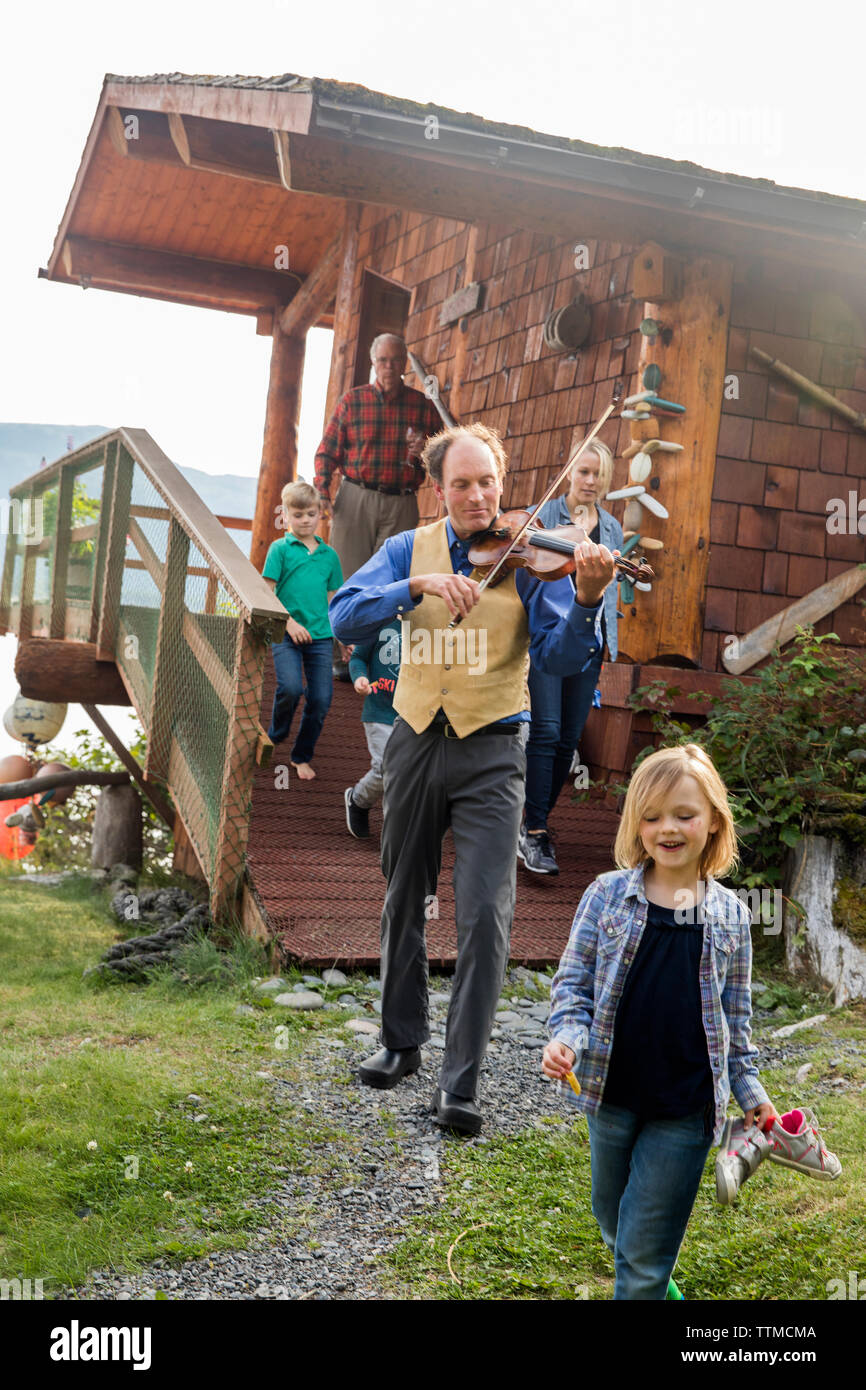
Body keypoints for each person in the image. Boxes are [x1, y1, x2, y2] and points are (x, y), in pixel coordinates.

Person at [329, 421, 618, 1135]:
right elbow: (341, 614)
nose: (477, 495)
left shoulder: (531, 559)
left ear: (502, 482)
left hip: (494, 747)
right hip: (416, 737)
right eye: (461, 483)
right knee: (404, 896)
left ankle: (460, 1085)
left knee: (486, 914)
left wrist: (586, 601)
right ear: (439, 488)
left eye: (487, 481)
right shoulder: (408, 548)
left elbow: (556, 660)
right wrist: (413, 586)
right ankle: (401, 1043)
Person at [542, 743, 779, 1300]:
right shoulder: (606, 896)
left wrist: (754, 1097)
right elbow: (573, 986)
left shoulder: (732, 916)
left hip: (686, 1109)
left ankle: (646, 1282)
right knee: (614, 1223)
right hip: (610, 1095)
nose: (666, 828)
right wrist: (566, 1040)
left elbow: (735, 1023)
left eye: (683, 815)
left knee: (643, 1256)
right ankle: (650, 1280)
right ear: (636, 824)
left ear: (714, 822)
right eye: (651, 816)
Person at [519, 436, 623, 876]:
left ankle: (533, 819)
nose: (590, 480)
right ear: (569, 472)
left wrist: (609, 643)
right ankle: (534, 831)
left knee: (568, 739)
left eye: (598, 473)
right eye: (583, 471)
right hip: (550, 635)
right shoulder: (547, 517)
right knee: (546, 728)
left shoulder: (612, 529)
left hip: (589, 640)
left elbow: (609, 590)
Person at [262, 481, 343, 780]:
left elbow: (335, 600)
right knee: (291, 688)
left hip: (321, 637)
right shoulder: (280, 549)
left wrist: (342, 637)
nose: (305, 520)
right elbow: (267, 591)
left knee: (321, 699)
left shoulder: (329, 556)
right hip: (286, 633)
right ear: (285, 515)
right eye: (297, 515)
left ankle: (301, 756)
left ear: (320, 513)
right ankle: (276, 734)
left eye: (311, 514)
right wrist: (289, 623)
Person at [344, 619, 401, 839]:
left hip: (413, 714)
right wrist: (360, 677)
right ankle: (358, 799)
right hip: (380, 711)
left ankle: (396, 833)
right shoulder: (381, 623)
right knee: (386, 768)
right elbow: (358, 656)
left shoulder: (428, 624)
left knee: (403, 773)